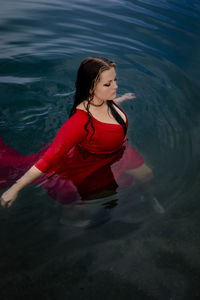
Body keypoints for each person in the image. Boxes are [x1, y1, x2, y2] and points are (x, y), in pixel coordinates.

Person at [0, 56, 154, 209]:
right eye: (108, 84)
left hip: (119, 152)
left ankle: (149, 198)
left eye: (115, 80)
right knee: (85, 201)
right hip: (95, 162)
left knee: (147, 175)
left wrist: (122, 99)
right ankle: (73, 222)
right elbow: (47, 160)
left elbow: (110, 106)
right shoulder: (79, 123)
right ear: (91, 88)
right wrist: (15, 188)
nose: (115, 87)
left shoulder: (104, 99)